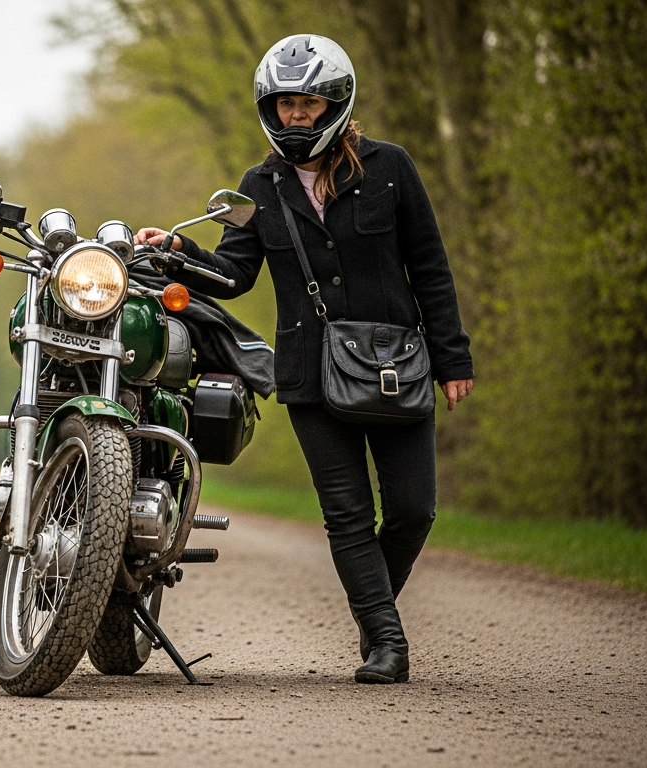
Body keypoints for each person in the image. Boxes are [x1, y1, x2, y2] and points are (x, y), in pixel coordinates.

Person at [135, 34, 475, 684]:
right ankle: (387, 642)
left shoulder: (393, 168)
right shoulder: (257, 185)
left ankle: (373, 612)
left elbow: (430, 266)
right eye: (285, 103)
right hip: (309, 378)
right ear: (271, 106)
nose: (296, 115)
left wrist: (452, 358)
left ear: (336, 103)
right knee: (347, 515)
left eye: (309, 102)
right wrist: (177, 249)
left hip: (397, 367)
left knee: (412, 510)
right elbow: (234, 275)